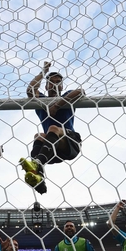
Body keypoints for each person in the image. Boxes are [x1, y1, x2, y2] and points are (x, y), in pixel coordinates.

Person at [19, 61, 84, 194]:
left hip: (70, 142)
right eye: (51, 81)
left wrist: (57, 106)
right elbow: (30, 90)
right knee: (39, 136)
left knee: (53, 128)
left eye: (58, 82)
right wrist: (43, 72)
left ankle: (37, 163)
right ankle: (38, 177)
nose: (55, 84)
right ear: (47, 85)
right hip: (51, 150)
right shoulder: (41, 101)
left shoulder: (67, 96)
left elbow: (80, 92)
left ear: (62, 85)